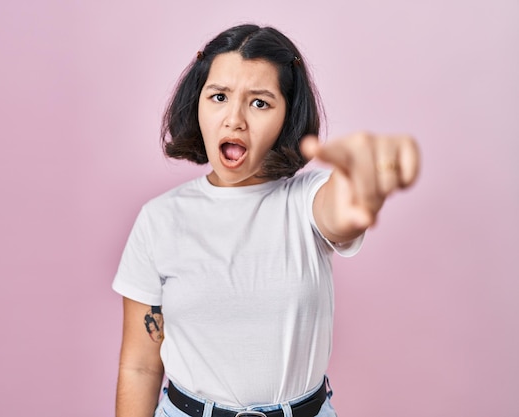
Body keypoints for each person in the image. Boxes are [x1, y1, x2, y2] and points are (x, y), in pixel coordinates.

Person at [112, 24, 419, 417]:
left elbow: (339, 213)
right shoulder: (159, 219)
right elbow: (139, 366)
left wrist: (363, 185)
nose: (235, 119)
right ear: (197, 104)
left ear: (287, 117)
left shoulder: (307, 197)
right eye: (219, 97)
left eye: (260, 103)